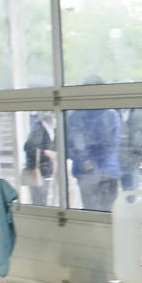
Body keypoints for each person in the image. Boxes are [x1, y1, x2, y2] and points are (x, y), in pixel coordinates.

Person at [66, 79, 121, 211]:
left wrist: (85, 160)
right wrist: (90, 160)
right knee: (107, 213)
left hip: (88, 171)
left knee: (90, 213)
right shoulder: (111, 114)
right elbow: (113, 142)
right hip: (107, 170)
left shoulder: (76, 115)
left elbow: (71, 143)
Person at [21, 111, 57, 206]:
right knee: (40, 202)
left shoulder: (50, 129)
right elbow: (29, 148)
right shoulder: (39, 129)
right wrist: (46, 153)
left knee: (42, 200)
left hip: (44, 171)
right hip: (38, 172)